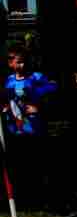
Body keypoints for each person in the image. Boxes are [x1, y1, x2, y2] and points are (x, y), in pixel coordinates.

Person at [2, 46, 57, 206]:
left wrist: (39, 105)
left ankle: (43, 192)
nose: (22, 66)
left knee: (36, 160)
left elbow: (53, 88)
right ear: (11, 63)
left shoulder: (35, 77)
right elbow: (7, 99)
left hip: (33, 127)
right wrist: (6, 107)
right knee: (20, 161)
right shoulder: (9, 80)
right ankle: (25, 195)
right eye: (18, 63)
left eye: (24, 62)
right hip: (15, 128)